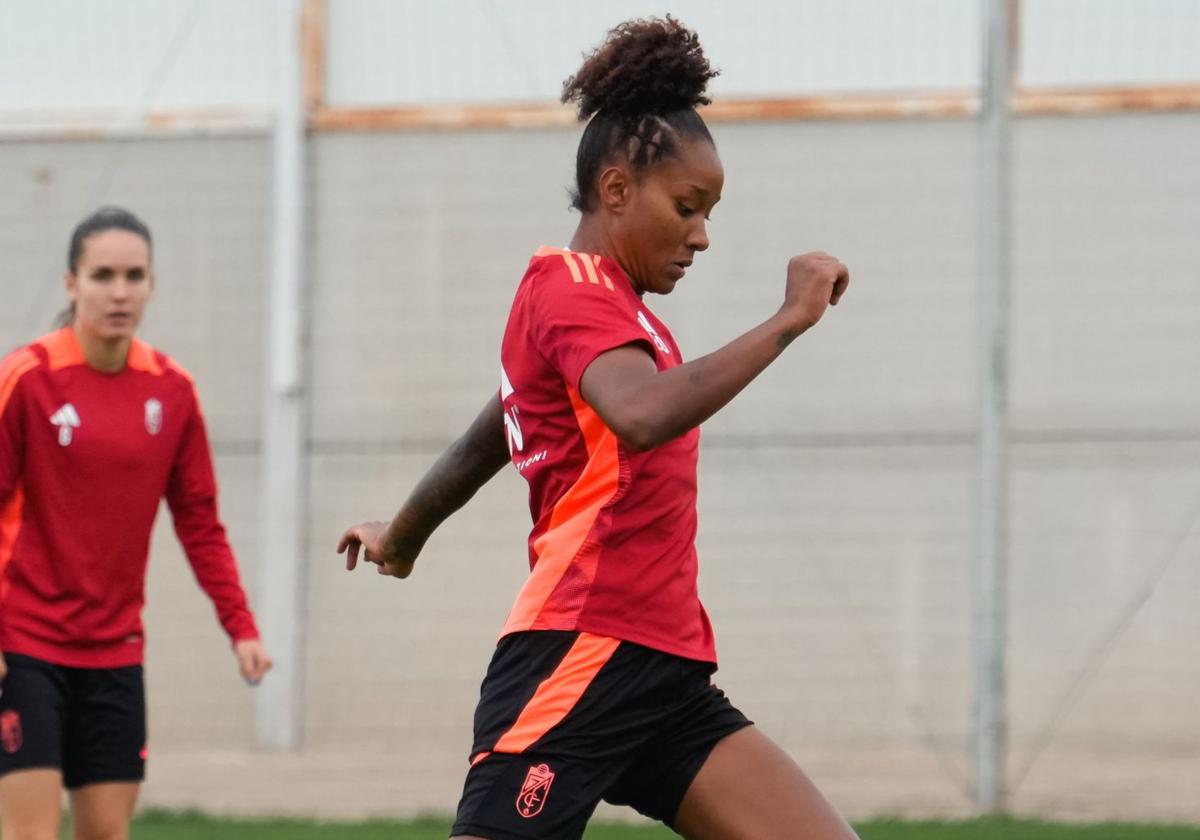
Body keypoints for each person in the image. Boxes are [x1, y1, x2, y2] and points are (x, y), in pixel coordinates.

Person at [338, 17, 857, 840]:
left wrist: (401, 534)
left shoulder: (617, 317)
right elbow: (643, 416)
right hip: (582, 650)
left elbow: (491, 434)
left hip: (662, 673)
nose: (702, 234)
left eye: (709, 211)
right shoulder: (573, 290)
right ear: (616, 191)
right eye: (688, 207)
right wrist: (787, 321)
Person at [0, 206, 272, 840]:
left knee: (105, 834)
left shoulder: (173, 391)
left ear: (152, 284)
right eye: (101, 275)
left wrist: (241, 626)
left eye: (134, 275)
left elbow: (200, 523)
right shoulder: (27, 380)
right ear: (71, 284)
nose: (118, 291)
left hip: (116, 649)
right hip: (25, 645)